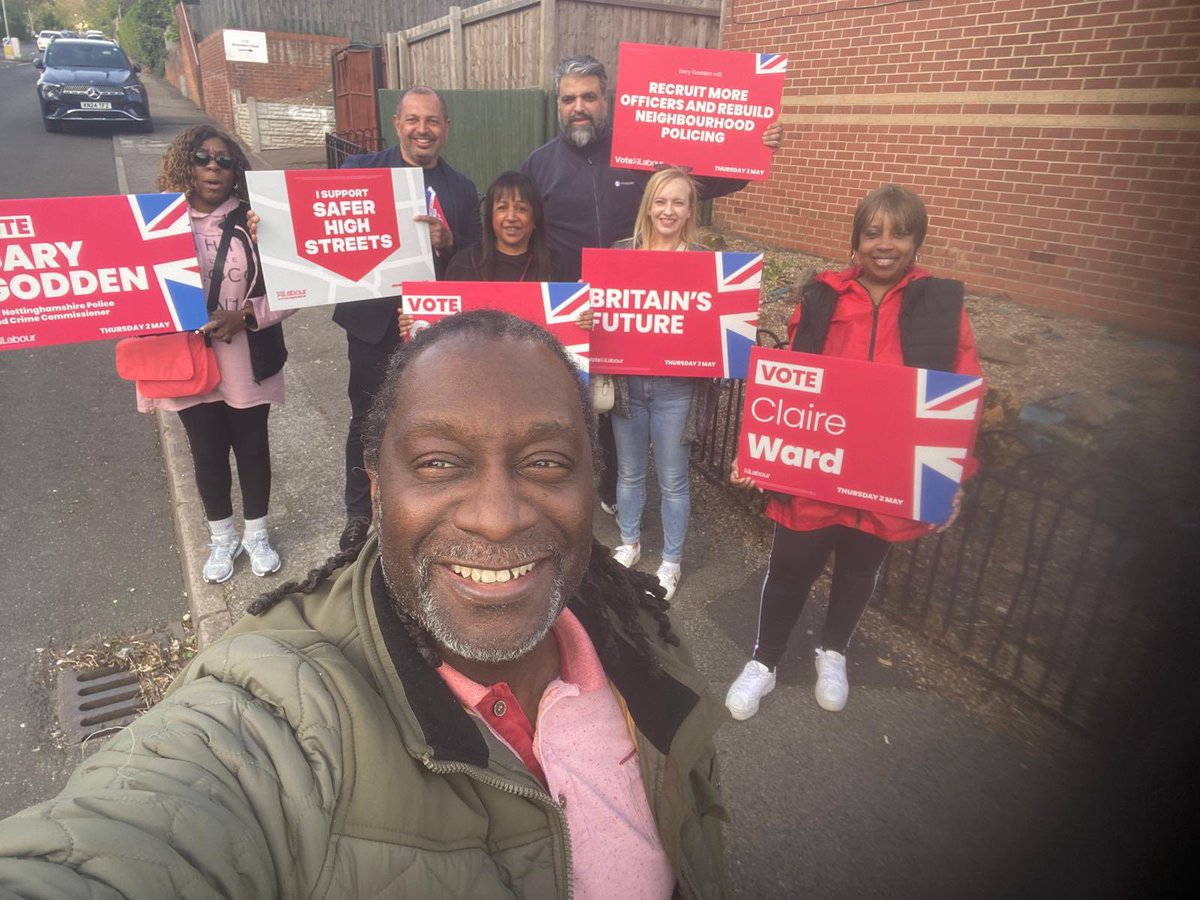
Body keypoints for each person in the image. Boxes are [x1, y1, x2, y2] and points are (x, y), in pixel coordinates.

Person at [0, 310, 729, 899]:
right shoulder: (275, 713)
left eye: (545, 463)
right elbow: (134, 837)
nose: (499, 517)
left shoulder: (638, 634)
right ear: (378, 488)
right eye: (440, 463)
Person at [724, 185, 982, 718]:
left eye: (900, 232)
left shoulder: (941, 307)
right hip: (818, 467)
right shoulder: (822, 297)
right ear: (856, 240)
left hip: (886, 473)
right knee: (791, 564)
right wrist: (760, 452)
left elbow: (961, 393)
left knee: (860, 569)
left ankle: (833, 651)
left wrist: (953, 474)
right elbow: (789, 381)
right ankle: (764, 661)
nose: (885, 244)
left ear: (917, 240)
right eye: (873, 232)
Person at [522, 54, 782, 516]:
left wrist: (752, 151)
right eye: (569, 99)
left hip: (635, 309)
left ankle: (613, 487)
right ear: (558, 105)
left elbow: (700, 179)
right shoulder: (537, 165)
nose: (578, 106)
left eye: (589, 96)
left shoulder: (639, 155)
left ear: (607, 101)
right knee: (566, 407)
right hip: (572, 311)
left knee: (618, 405)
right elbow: (517, 230)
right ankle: (564, 487)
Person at [333, 86, 482, 553]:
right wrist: (269, 228)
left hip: (433, 330)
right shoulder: (358, 172)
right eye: (414, 120)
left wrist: (448, 242)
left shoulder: (461, 187)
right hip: (373, 324)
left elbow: (476, 254)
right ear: (396, 123)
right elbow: (316, 221)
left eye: (433, 121)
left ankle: (426, 507)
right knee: (367, 418)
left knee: (433, 422)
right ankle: (360, 513)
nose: (423, 130)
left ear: (446, 128)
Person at [142, 126, 293, 584]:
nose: (213, 167)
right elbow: (132, 289)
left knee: (252, 449)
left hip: (248, 359)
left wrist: (245, 316)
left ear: (236, 171)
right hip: (186, 362)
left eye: (224, 161)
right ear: (185, 164)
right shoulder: (154, 224)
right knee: (206, 454)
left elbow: (294, 290)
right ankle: (221, 538)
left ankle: (257, 534)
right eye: (203, 158)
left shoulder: (258, 220)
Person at [607, 168, 710, 602]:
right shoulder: (620, 253)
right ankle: (629, 544)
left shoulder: (704, 261)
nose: (668, 210)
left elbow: (717, 325)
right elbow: (600, 311)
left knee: (673, 480)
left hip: (676, 389)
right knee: (629, 473)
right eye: (661, 201)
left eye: (678, 202)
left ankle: (671, 561)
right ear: (648, 205)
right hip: (628, 387)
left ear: (690, 211)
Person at [444, 170, 553, 281]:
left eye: (522, 209)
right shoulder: (464, 265)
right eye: (502, 208)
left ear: (535, 218)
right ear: (491, 216)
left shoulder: (556, 267)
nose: (511, 218)